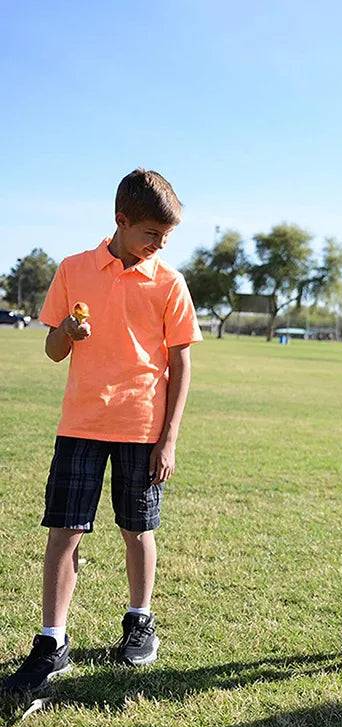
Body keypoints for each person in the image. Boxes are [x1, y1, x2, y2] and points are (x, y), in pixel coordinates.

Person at [3, 169, 202, 693]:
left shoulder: (169, 282)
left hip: (142, 426)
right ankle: (52, 641)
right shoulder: (73, 270)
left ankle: (140, 622)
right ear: (121, 221)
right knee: (65, 530)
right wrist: (67, 330)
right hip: (82, 423)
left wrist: (171, 437)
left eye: (166, 237)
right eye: (151, 234)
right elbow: (52, 350)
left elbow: (180, 365)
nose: (159, 245)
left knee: (138, 528)